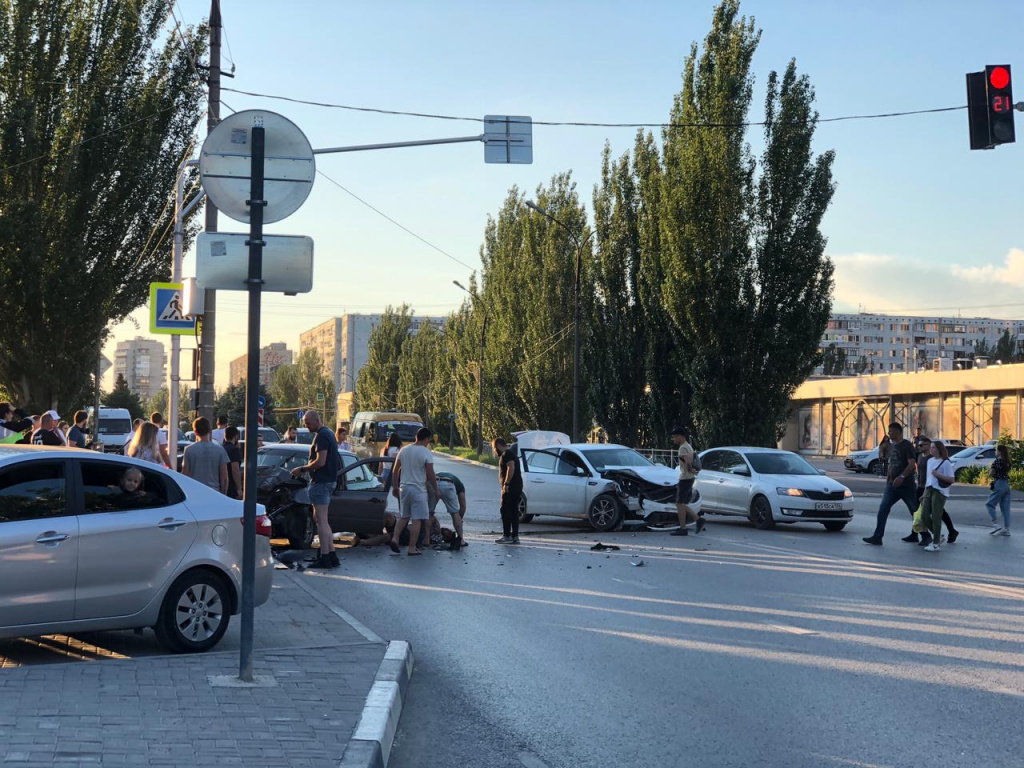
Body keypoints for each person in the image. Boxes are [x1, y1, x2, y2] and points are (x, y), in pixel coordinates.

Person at [290, 410, 341, 569]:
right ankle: (331, 555)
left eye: (308, 423)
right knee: (322, 520)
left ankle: (325, 557)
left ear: (317, 420)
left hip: (321, 481)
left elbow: (320, 461)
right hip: (328, 481)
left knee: (321, 521)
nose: (306, 426)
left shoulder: (322, 436)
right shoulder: (329, 434)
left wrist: (303, 469)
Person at [863, 423, 919, 545]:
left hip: (906, 485)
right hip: (892, 485)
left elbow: (912, 464)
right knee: (883, 509)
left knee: (914, 510)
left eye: (891, 431)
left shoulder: (907, 445)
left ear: (898, 432)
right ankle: (877, 537)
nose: (889, 434)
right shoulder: (892, 446)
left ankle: (923, 535)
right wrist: (888, 479)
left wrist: (902, 476)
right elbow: (891, 463)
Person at [391, 427, 440, 556]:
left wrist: (395, 487)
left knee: (404, 516)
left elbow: (395, 471)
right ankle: (412, 548)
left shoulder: (404, 450)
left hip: (404, 488)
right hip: (418, 490)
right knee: (417, 519)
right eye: (429, 440)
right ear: (426, 439)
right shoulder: (425, 452)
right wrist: (436, 489)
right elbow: (430, 473)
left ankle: (395, 538)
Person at [913, 436, 958, 544]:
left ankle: (936, 541)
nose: (931, 450)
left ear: (938, 449)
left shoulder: (944, 462)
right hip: (926, 488)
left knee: (938, 515)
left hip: (939, 491)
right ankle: (936, 534)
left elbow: (951, 479)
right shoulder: (928, 460)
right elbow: (927, 477)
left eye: (933, 448)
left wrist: (938, 475)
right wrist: (923, 493)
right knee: (924, 515)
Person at [670, 426, 704, 536]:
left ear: (680, 436)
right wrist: (693, 471)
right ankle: (697, 520)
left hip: (685, 478)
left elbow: (688, 461)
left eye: (675, 437)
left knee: (680, 503)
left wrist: (691, 470)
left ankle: (683, 528)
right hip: (689, 478)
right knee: (681, 503)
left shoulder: (683, 448)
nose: (673, 439)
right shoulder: (688, 446)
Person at [183, 417, 229, 495]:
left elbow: (185, 474)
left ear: (195, 432)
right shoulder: (220, 450)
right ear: (209, 430)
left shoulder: (189, 450)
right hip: (214, 493)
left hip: (195, 493)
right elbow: (224, 478)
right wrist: (223, 494)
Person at [493, 437, 523, 544]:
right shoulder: (512, 453)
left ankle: (506, 535)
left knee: (505, 510)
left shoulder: (507, 454)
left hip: (510, 487)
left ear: (498, 445)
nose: (495, 451)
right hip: (517, 486)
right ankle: (515, 536)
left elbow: (511, 468)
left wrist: (506, 484)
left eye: (495, 448)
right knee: (514, 511)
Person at [429, 470, 467, 548]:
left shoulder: (438, 474)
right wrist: (459, 520)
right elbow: (463, 506)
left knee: (429, 513)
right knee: (454, 512)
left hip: (433, 482)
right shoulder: (460, 485)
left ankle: (426, 539)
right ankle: (461, 540)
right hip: (448, 483)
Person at [986, 444, 1012, 536]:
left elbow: (992, 472)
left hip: (999, 483)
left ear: (1000, 452)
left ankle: (995, 524)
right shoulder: (1007, 461)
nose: (995, 452)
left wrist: (990, 470)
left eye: (996, 450)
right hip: (1006, 484)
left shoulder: (997, 461)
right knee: (1005, 507)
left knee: (989, 504)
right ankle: (1007, 529)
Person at [223, 426, 243, 500]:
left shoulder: (222, 448)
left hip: (222, 485)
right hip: (231, 487)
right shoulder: (234, 450)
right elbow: (235, 470)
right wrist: (239, 488)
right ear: (236, 436)